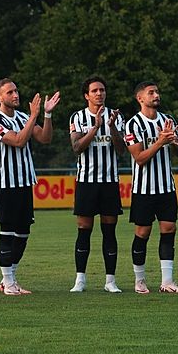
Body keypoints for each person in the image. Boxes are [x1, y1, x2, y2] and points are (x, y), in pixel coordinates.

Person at [0, 78, 60, 295]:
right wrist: (34, 116)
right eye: (9, 92)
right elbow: (18, 140)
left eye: (16, 91)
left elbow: (45, 138)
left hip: (24, 182)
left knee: (23, 233)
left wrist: (46, 115)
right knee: (7, 232)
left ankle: (9, 279)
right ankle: (8, 282)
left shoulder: (21, 117)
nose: (15, 95)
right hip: (6, 185)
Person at [124, 82, 178, 294]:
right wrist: (160, 142)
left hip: (166, 187)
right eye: (151, 92)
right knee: (143, 232)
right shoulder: (133, 124)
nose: (156, 95)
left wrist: (174, 142)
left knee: (169, 229)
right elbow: (139, 158)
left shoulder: (167, 120)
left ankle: (167, 281)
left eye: (157, 92)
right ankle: (139, 280)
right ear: (140, 98)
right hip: (144, 189)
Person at [68, 76, 126, 293]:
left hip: (109, 182)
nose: (99, 93)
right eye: (94, 90)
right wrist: (95, 128)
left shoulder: (116, 118)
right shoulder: (78, 117)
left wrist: (111, 128)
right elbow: (76, 147)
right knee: (84, 230)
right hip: (86, 182)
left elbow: (121, 149)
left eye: (102, 90)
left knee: (109, 231)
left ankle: (110, 281)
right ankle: (80, 280)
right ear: (86, 95)